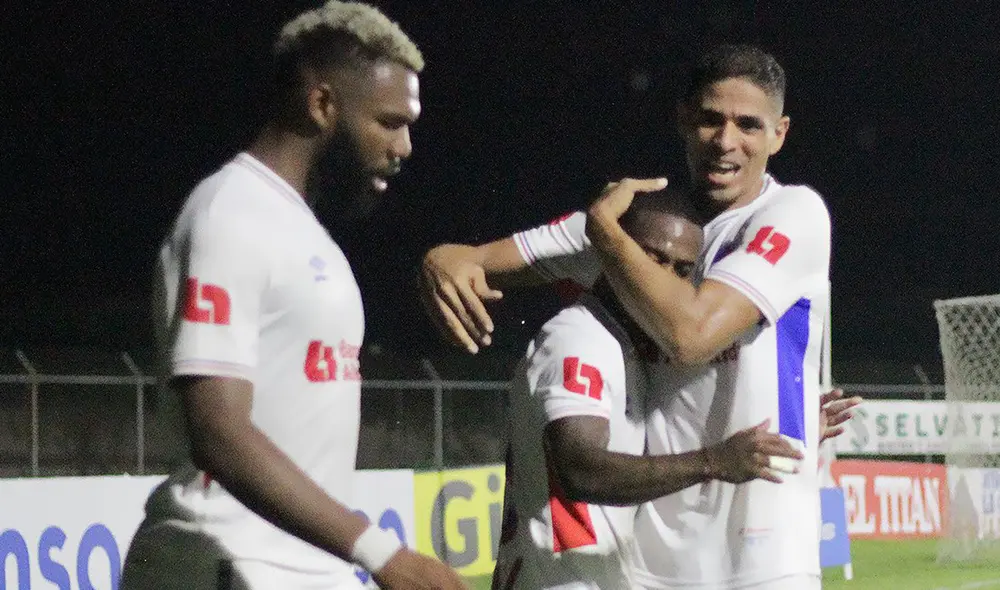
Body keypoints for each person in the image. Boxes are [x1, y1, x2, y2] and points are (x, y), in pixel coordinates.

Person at [421, 45, 861, 589]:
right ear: (683, 119)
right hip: (651, 566)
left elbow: (691, 335)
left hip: (764, 558)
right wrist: (437, 260)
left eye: (749, 125)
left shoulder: (792, 213)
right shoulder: (648, 226)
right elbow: (471, 260)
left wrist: (603, 234)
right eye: (709, 119)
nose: (726, 141)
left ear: (780, 134)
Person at [121, 2, 464, 589]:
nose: (405, 145)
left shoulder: (307, 233)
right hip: (217, 562)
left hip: (301, 568)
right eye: (389, 121)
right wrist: (384, 553)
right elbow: (219, 430)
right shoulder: (229, 213)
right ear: (323, 104)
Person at [493, 191, 805, 590]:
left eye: (681, 269)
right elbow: (579, 468)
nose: (664, 276)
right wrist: (714, 462)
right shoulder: (578, 337)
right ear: (615, 251)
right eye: (652, 257)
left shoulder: (626, 348)